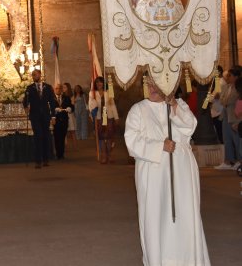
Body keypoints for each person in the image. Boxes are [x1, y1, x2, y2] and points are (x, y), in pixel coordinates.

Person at [124, 80, 210, 265]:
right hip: (153, 171)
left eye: (157, 84)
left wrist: (174, 106)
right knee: (156, 217)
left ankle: (188, 259)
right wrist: (159, 146)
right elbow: (132, 141)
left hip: (182, 171)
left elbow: (190, 126)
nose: (153, 88)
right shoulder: (137, 110)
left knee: (185, 216)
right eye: (150, 84)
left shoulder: (179, 105)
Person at [23, 69, 57, 168]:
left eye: (35, 75)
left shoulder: (48, 87)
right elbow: (25, 100)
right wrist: (26, 107)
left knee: (46, 137)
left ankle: (46, 159)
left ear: (40, 75)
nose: (33, 77)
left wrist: (53, 116)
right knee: (38, 137)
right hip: (35, 116)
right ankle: (38, 161)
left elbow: (52, 102)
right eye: (32, 75)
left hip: (45, 116)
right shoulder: (29, 88)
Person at [89, 77, 119, 164]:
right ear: (95, 84)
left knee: (109, 137)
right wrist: (92, 116)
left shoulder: (108, 92)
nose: (99, 84)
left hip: (109, 117)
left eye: (101, 82)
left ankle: (110, 155)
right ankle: (103, 156)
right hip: (98, 118)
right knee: (101, 138)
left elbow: (113, 105)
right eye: (97, 82)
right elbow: (90, 105)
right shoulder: (92, 93)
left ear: (103, 83)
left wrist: (116, 117)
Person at [53, 83, 72, 159]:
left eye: (60, 88)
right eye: (56, 88)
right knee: (57, 137)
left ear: (61, 90)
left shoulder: (66, 97)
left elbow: (71, 106)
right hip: (56, 120)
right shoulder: (51, 98)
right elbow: (49, 108)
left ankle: (62, 153)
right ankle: (58, 154)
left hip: (64, 120)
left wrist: (70, 109)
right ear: (54, 89)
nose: (58, 90)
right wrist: (54, 110)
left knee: (63, 137)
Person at [63, 82, 77, 150]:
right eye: (63, 87)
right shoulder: (62, 96)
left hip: (70, 115)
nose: (63, 89)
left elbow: (73, 105)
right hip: (64, 114)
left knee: (72, 131)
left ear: (68, 88)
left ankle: (75, 146)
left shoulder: (71, 96)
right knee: (64, 131)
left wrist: (69, 108)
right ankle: (65, 146)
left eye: (65, 87)